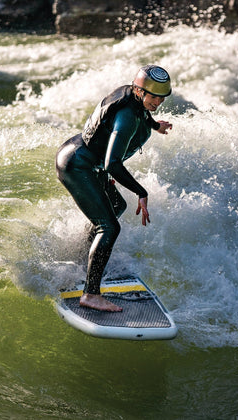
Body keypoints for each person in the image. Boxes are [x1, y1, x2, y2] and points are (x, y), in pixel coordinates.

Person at [55, 65, 173, 312]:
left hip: (89, 161)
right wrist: (142, 191)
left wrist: (155, 125)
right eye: (153, 97)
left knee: (117, 206)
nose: (158, 102)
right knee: (109, 226)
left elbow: (142, 113)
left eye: (162, 98)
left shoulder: (135, 99)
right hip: (77, 164)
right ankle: (91, 295)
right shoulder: (128, 116)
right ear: (140, 91)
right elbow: (113, 164)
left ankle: (85, 255)